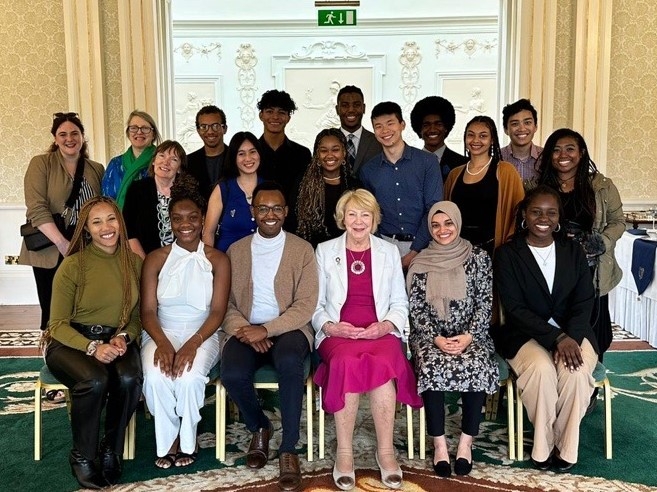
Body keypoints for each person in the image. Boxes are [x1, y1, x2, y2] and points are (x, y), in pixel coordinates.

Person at [313, 189, 422, 491]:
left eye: (365, 215)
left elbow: (400, 302)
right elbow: (315, 304)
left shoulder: (388, 252)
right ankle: (344, 452)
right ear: (342, 218)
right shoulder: (324, 250)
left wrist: (386, 325)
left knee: (383, 364)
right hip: (338, 332)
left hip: (380, 332)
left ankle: (385, 451)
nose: (358, 221)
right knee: (347, 362)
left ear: (374, 220)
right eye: (352, 214)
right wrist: (332, 327)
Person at [219, 181, 318, 491]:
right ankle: (260, 427)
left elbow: (306, 305)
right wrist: (246, 330)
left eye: (277, 208)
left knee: (289, 361)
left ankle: (288, 447)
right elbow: (225, 304)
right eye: (263, 208)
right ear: (253, 211)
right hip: (245, 328)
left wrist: (267, 329)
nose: (270, 214)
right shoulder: (236, 251)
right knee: (232, 372)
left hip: (289, 329)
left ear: (286, 212)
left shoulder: (302, 249)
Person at [494, 185, 599, 472]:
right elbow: (514, 309)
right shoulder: (507, 255)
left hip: (574, 332)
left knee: (575, 373)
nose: (544, 218)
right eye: (536, 211)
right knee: (541, 371)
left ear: (559, 218)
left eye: (551, 212)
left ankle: (565, 449)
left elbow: (584, 300)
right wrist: (557, 338)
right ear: (525, 215)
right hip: (525, 334)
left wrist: (571, 338)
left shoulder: (573, 251)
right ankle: (543, 448)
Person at [44, 196, 143, 489]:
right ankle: (82, 456)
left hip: (115, 338)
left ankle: (110, 449)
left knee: (128, 377)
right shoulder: (73, 265)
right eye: (96, 222)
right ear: (86, 229)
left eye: (111, 219)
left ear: (120, 222)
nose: (106, 228)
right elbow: (57, 325)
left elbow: (137, 316)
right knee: (95, 379)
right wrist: (92, 347)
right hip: (71, 342)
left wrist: (124, 337)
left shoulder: (134, 263)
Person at [140, 175, 230, 469]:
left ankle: (188, 440)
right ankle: (169, 441)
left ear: (203, 219)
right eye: (177, 218)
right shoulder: (155, 258)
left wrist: (192, 344)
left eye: (192, 217)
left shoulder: (218, 259)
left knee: (189, 376)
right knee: (156, 376)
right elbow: (148, 311)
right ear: (170, 221)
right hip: (159, 330)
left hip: (203, 332)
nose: (185, 224)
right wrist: (163, 343)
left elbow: (217, 312)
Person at [407, 201, 499, 478]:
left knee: (476, 364)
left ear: (457, 224)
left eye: (448, 223)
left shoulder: (479, 257)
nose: (442, 230)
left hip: (473, 335)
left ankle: (465, 444)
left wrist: (469, 336)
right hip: (429, 337)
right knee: (432, 366)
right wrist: (435, 339)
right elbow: (416, 309)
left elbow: (485, 303)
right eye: (435, 225)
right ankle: (439, 446)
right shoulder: (421, 261)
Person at [535, 128, 624, 362]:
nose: (563, 154)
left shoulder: (601, 186)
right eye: (556, 150)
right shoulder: (536, 186)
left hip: (591, 270)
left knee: (592, 330)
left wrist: (601, 243)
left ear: (582, 153)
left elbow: (618, 222)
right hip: (551, 269)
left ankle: (590, 388)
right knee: (555, 326)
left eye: (570, 149)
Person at [19, 112, 104, 334]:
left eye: (75, 133)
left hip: (85, 246)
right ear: (55, 138)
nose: (69, 138)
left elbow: (101, 207)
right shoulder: (41, 164)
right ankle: (52, 351)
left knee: (83, 305)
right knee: (52, 306)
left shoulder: (96, 168)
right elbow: (36, 208)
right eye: (63, 134)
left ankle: (80, 350)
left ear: (82, 137)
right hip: (50, 245)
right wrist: (62, 243)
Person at [359, 101, 443, 270]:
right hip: (383, 246)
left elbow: (434, 208)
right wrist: (381, 248)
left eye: (390, 123)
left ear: (402, 125)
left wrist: (414, 251)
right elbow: (368, 212)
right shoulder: (368, 170)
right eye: (378, 126)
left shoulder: (428, 162)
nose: (385, 131)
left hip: (424, 246)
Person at [444, 115, 524, 258]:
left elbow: (518, 213)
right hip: (457, 250)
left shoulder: (505, 171)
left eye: (483, 136)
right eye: (471, 135)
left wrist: (507, 251)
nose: (476, 140)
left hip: (493, 250)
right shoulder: (454, 174)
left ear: (492, 139)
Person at [255, 89, 312, 231]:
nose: (275, 117)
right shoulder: (250, 153)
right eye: (269, 111)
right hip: (256, 225)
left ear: (288, 117)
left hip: (294, 226)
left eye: (281, 112)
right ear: (261, 115)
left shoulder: (302, 154)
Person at [295, 128, 361, 247]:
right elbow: (293, 224)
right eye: (324, 150)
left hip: (347, 252)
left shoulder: (355, 186)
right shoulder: (302, 184)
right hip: (311, 254)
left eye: (335, 150)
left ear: (344, 153)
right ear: (317, 155)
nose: (329, 155)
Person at [123, 140, 188, 259]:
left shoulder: (187, 193)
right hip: (144, 260)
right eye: (161, 155)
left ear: (179, 168)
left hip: (182, 261)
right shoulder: (137, 189)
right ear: (153, 161)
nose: (165, 162)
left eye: (173, 159)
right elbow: (129, 231)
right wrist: (147, 265)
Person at [202, 132, 262, 252]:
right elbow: (208, 232)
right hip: (227, 264)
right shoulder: (223, 189)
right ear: (234, 157)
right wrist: (209, 265)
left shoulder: (269, 188)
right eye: (241, 154)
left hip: (263, 263)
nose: (248, 158)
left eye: (252, 152)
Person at [101, 110, 161, 208]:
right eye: (134, 128)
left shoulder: (161, 163)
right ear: (128, 133)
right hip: (120, 220)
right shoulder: (115, 164)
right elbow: (106, 201)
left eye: (145, 128)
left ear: (153, 134)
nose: (139, 132)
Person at [410, 96, 468, 180]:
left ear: (446, 128)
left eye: (438, 124)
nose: (432, 129)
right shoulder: (409, 163)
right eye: (426, 125)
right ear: (419, 130)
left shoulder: (462, 164)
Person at [335, 85, 382, 176]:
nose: (351, 110)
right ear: (337, 109)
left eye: (356, 105)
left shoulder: (378, 142)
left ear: (363, 108)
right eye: (345, 105)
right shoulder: (327, 142)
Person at [186, 105, 228, 201]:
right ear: (198, 131)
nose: (210, 131)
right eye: (204, 127)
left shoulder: (237, 158)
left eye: (215, 126)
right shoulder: (188, 162)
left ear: (224, 128)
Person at [501, 99, 543, 186]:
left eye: (527, 123)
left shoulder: (546, 156)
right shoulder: (497, 158)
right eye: (515, 124)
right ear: (506, 130)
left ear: (535, 127)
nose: (522, 129)